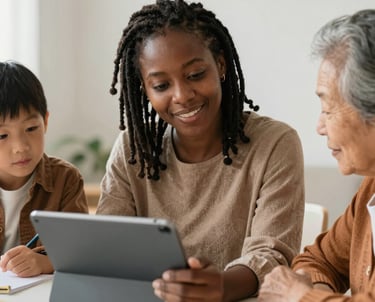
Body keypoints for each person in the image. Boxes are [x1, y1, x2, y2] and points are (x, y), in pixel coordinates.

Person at [96, 0, 304, 300]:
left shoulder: (274, 143)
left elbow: (271, 256)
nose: (182, 96)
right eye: (161, 85)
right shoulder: (133, 149)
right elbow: (109, 243)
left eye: (195, 75)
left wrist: (220, 286)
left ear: (220, 65)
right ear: (144, 89)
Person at [258, 9, 375, 302]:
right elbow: (316, 260)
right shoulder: (370, 190)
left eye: (327, 109)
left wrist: (301, 297)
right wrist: (313, 294)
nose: (319, 127)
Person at [0, 61, 88, 277]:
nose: (20, 147)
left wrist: (43, 263)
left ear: (46, 121)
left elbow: (79, 254)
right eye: (2, 135)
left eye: (31, 128)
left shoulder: (66, 179)